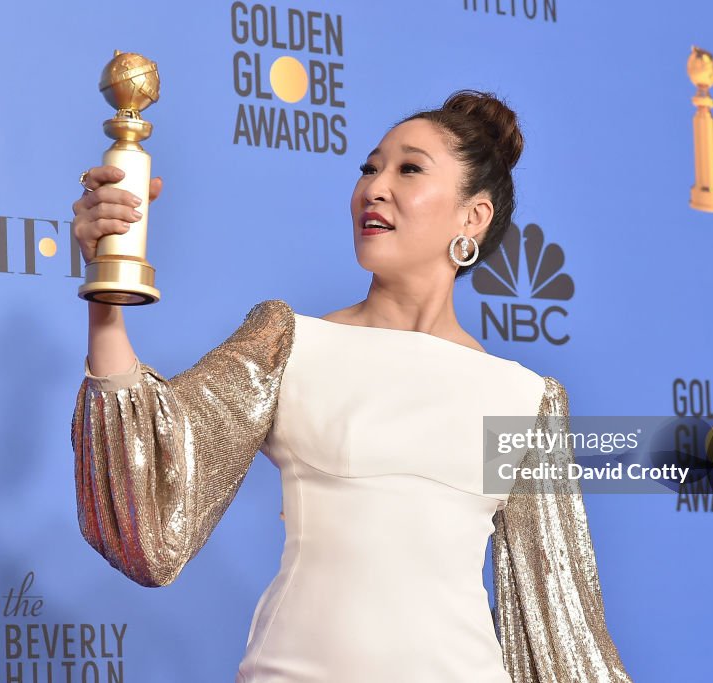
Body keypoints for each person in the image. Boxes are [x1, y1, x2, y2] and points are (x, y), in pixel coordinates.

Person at [70, 90, 631, 683]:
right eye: (369, 168)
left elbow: (562, 624)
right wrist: (107, 293)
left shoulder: (523, 399)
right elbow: (152, 491)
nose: (374, 187)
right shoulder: (289, 343)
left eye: (409, 169)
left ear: (474, 217)